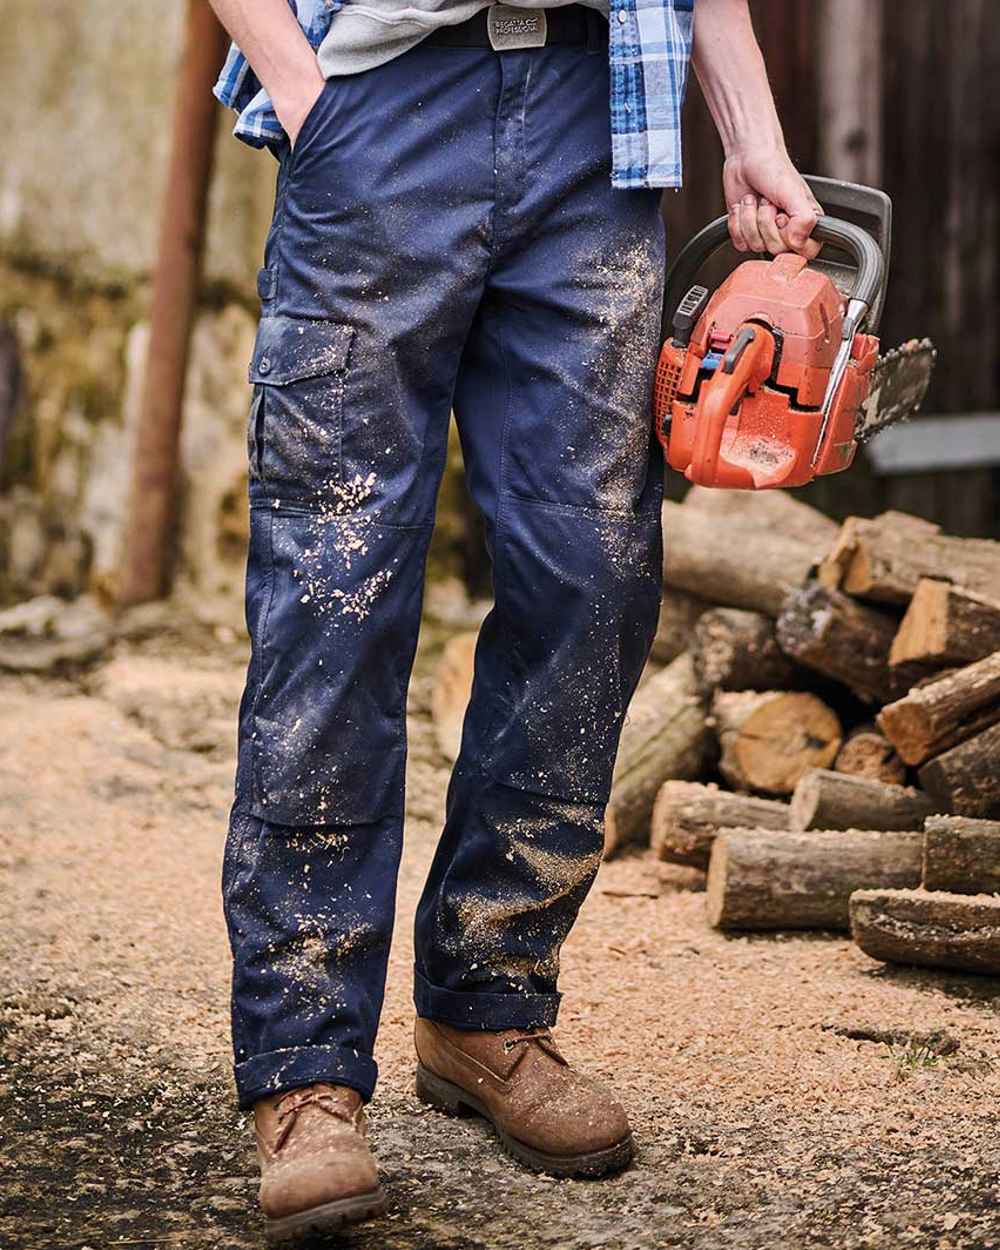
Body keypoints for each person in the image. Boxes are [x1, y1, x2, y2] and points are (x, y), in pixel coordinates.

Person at [209, 0, 821, 1238]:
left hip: (595, 132)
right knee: (336, 592)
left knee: (593, 576)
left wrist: (749, 127)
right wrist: (300, 86)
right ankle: (306, 1065)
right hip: (381, 107)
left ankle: (488, 1004)